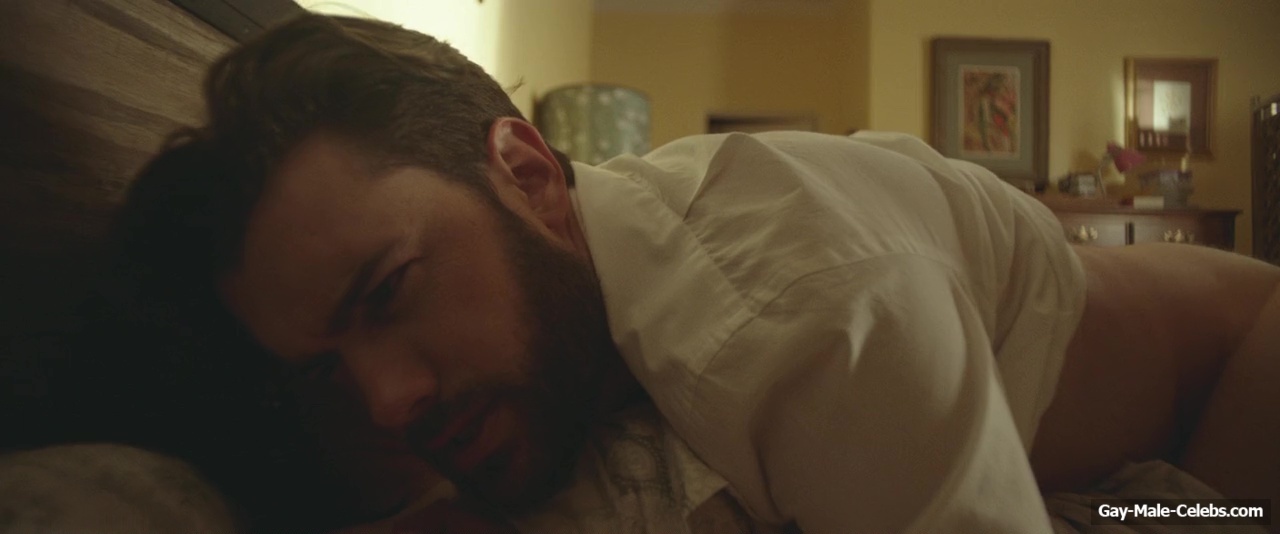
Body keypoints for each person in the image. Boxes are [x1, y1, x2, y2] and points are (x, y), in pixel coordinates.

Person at [116, 13, 1280, 534]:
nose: (385, 402)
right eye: (326, 366)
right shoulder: (564, 304)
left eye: (387, 292)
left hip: (1236, 389)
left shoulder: (807, 312)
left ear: (526, 171)